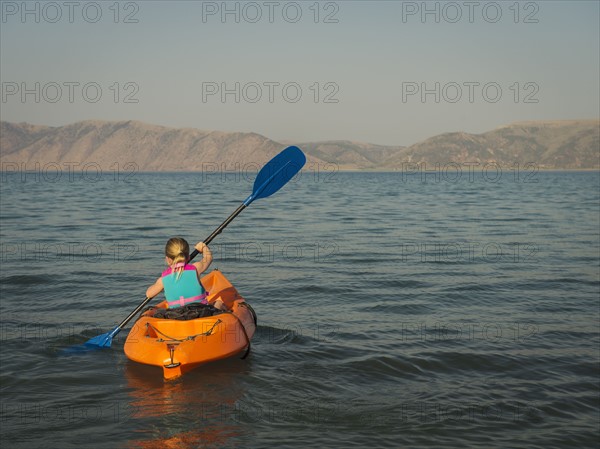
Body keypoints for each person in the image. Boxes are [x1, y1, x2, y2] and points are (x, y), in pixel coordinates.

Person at [146, 237, 213, 308]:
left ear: (167, 259)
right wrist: (203, 247)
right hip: (200, 311)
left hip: (176, 315)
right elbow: (208, 258)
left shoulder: (163, 279)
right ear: (188, 257)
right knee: (218, 303)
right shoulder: (196, 268)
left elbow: (149, 294)